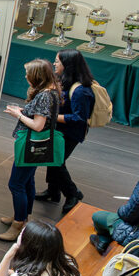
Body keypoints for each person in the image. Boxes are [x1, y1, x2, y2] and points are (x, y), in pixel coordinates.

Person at [0, 59, 59, 241]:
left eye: (28, 74)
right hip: (33, 147)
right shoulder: (51, 92)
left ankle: (19, 223)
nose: (25, 77)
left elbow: (38, 125)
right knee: (27, 182)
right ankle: (23, 217)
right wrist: (24, 110)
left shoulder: (44, 96)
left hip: (30, 147)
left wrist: (18, 114)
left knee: (16, 184)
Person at [36, 49, 94, 214]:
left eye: (57, 61)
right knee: (53, 160)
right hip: (61, 130)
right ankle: (53, 192)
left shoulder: (81, 91)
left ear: (67, 65)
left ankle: (73, 194)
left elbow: (78, 118)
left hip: (71, 133)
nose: (54, 63)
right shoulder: (65, 81)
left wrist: (52, 117)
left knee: (56, 162)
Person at [90, 179, 139, 254]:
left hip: (135, 241)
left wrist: (126, 206)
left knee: (97, 216)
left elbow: (127, 215)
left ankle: (103, 240)